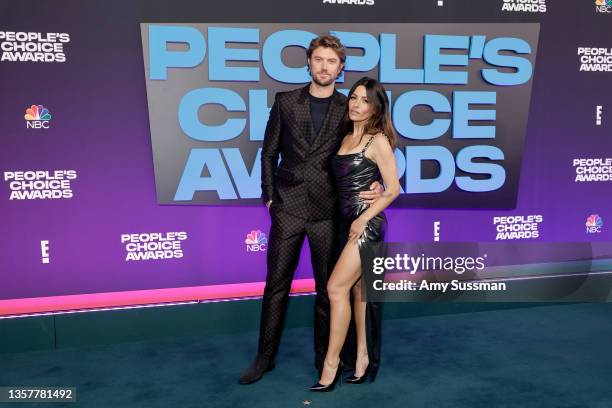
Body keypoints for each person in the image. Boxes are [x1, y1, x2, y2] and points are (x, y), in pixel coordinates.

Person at [238, 35, 384, 385]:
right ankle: (265, 357)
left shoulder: (347, 108)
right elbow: (269, 153)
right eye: (318, 59)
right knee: (276, 285)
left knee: (326, 289)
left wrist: (376, 184)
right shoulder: (286, 101)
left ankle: (325, 356)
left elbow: (365, 148)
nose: (324, 67)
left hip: (328, 210)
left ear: (341, 68)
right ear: (308, 63)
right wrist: (270, 198)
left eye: (331, 61)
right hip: (287, 207)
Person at [310, 77, 400, 392]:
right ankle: (361, 357)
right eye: (353, 97)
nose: (356, 104)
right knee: (357, 292)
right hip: (344, 220)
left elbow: (393, 190)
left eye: (364, 100)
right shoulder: (345, 137)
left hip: (367, 225)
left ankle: (330, 366)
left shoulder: (378, 140)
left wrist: (365, 220)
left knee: (336, 288)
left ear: (376, 107)